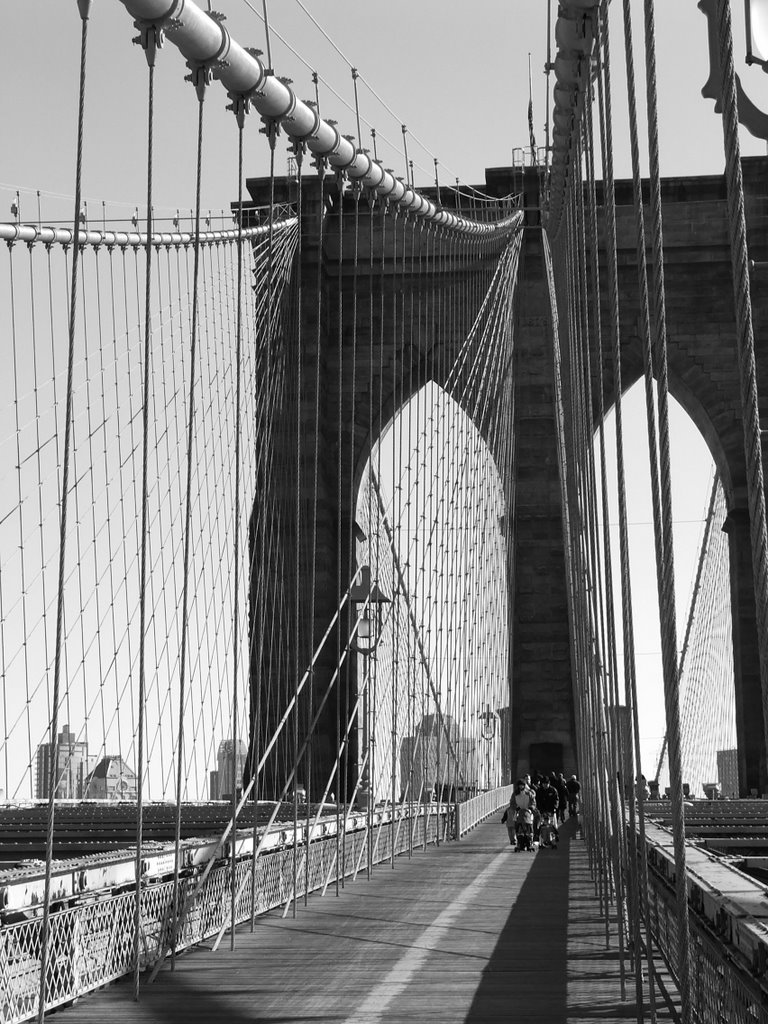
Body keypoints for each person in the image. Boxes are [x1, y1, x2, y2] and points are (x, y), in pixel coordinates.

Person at [536, 776, 560, 847]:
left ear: (549, 783)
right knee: (542, 826)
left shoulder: (553, 790)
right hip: (542, 811)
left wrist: (555, 808)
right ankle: (542, 841)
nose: (545, 785)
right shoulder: (539, 791)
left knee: (552, 826)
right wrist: (540, 809)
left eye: (546, 783)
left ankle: (553, 841)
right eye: (543, 784)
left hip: (551, 811)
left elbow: (556, 800)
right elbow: (538, 801)